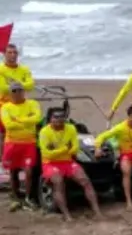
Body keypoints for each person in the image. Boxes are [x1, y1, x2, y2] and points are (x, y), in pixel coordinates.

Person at [38, 108, 102, 220]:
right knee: (58, 183)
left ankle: (97, 211)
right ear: (50, 119)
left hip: (68, 162)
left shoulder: (71, 128)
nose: (59, 119)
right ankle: (66, 215)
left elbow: (75, 148)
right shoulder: (44, 132)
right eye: (55, 117)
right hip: (50, 163)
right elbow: (47, 154)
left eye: (61, 116)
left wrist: (57, 151)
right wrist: (64, 149)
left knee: (85, 180)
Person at [95, 104, 132, 210]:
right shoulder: (120, 127)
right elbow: (102, 136)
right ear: (128, 116)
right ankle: (129, 201)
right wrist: (97, 148)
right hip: (126, 154)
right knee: (126, 172)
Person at [0, 81, 42, 211]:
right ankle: (16, 196)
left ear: (24, 91)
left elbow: (37, 118)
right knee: (13, 172)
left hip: (29, 143)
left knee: (29, 171)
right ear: (10, 93)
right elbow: (8, 125)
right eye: (14, 91)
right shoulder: (5, 107)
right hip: (12, 143)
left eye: (19, 90)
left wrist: (17, 120)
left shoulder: (33, 103)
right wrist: (27, 120)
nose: (17, 93)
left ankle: (28, 198)